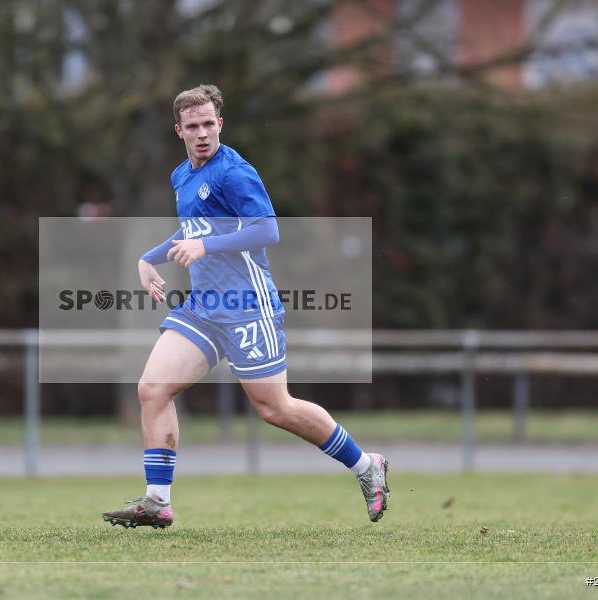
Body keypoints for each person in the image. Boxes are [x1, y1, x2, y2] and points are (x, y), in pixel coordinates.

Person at [102, 85, 389, 529]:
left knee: (274, 408)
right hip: (204, 307)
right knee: (152, 389)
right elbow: (190, 233)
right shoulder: (182, 175)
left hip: (248, 306)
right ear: (179, 130)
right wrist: (148, 258)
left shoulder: (234, 173)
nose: (202, 133)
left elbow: (266, 231)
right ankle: (157, 500)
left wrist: (207, 246)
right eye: (192, 126)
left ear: (221, 124)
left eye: (208, 124)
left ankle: (366, 466)